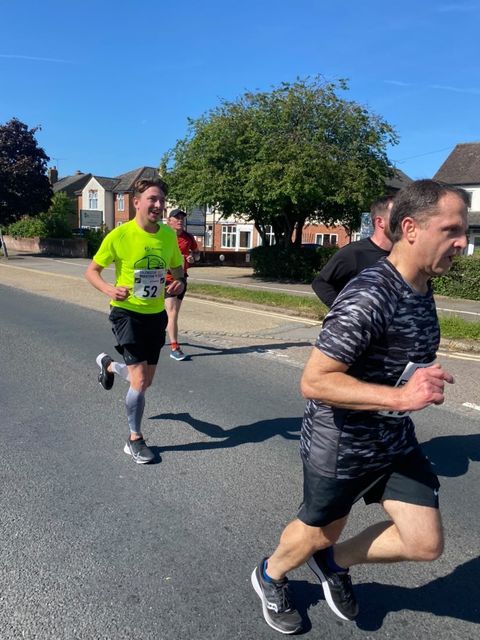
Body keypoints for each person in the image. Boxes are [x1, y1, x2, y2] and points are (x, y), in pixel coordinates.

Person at [251, 179, 468, 634]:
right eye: (451, 230)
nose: (462, 242)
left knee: (424, 542)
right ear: (410, 228)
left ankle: (332, 564)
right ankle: (270, 575)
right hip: (342, 445)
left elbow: (395, 360)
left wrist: (418, 376)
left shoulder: (421, 285)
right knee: (317, 530)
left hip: (391, 438)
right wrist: (401, 397)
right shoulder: (369, 295)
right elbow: (314, 381)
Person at [85, 178, 185, 464]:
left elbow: (177, 268)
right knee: (139, 380)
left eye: (162, 200)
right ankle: (134, 439)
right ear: (136, 202)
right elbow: (92, 271)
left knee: (144, 381)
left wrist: (178, 281)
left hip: (156, 315)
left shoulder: (167, 235)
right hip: (126, 313)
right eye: (152, 199)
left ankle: (108, 365)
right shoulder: (120, 235)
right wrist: (109, 288)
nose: (158, 205)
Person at [311, 195, 394, 308]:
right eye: (397, 215)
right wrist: (343, 311)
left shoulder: (403, 255)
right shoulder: (354, 253)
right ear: (380, 222)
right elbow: (320, 283)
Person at [164, 208, 200, 361]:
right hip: (166, 278)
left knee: (173, 314)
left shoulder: (188, 237)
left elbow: (197, 253)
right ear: (169, 220)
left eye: (182, 218)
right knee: (171, 313)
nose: (180, 220)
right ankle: (174, 347)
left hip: (182, 278)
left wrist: (193, 257)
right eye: (176, 218)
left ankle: (164, 333)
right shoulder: (163, 236)